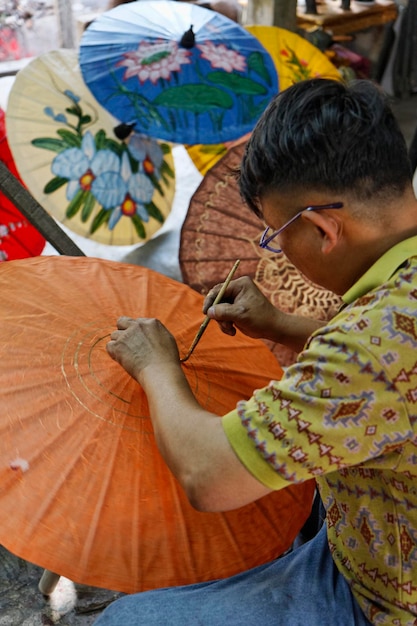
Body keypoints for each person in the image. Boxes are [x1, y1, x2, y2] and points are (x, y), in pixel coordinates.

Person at [94, 78, 417, 625]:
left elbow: (208, 476)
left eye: (274, 235)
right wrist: (281, 324)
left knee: (125, 622)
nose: (278, 253)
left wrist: (156, 366)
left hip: (385, 597)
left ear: (322, 229)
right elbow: (389, 383)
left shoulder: (368, 345)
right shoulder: (391, 310)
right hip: (378, 525)